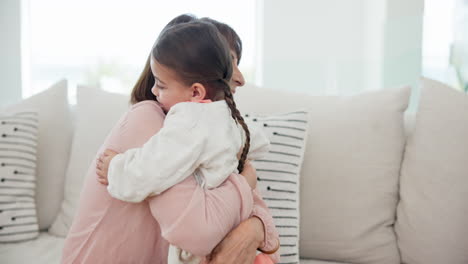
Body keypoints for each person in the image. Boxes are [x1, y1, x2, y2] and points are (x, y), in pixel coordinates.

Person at [61, 14, 280, 264]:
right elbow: (199, 233)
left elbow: (269, 233)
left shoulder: (220, 129)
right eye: (229, 64)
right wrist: (246, 182)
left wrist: (251, 228)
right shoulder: (148, 121)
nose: (241, 78)